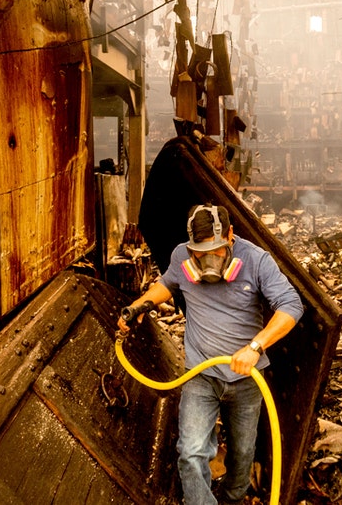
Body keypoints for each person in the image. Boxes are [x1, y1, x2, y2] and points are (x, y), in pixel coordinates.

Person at [118, 204, 304, 505]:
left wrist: (255, 347)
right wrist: (142, 304)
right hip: (200, 375)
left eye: (215, 251)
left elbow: (291, 306)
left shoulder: (257, 261)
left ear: (230, 236)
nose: (207, 262)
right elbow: (167, 283)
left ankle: (232, 498)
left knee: (242, 454)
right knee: (191, 453)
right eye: (199, 253)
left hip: (246, 379)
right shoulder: (181, 256)